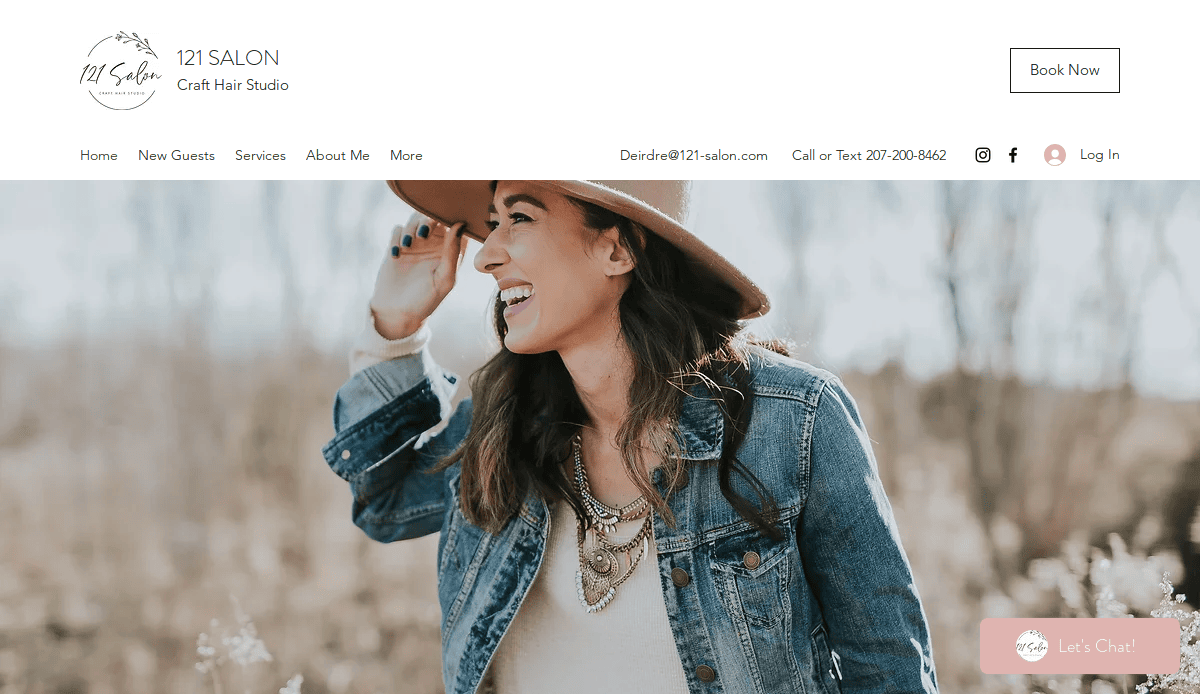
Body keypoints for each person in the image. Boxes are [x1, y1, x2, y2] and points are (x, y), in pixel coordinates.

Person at [322, 180, 939, 694]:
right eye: (492, 221)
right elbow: (385, 499)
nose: (485, 255)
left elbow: (887, 663)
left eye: (518, 218)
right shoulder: (501, 426)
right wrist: (394, 329)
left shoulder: (795, 421)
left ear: (618, 250)